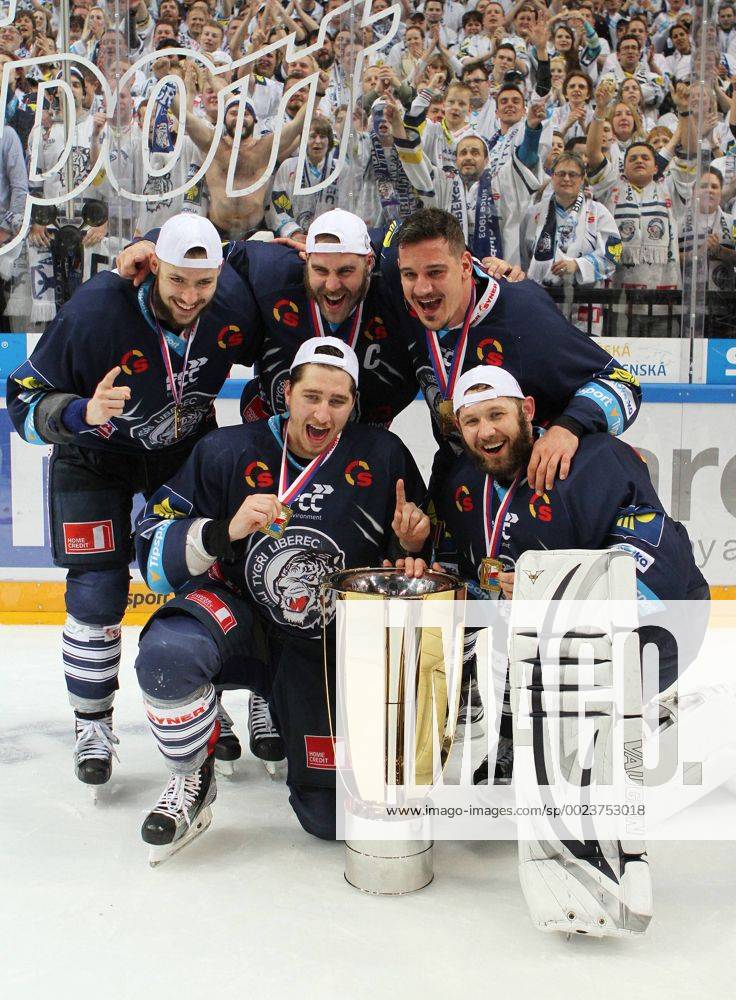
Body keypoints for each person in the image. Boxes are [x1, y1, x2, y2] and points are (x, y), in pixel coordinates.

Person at [133, 337, 431, 857]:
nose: (322, 412)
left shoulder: (382, 454)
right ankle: (190, 776)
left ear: (353, 405)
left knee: (328, 819)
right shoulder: (225, 451)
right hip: (239, 612)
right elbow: (152, 550)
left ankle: (279, 706)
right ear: (286, 393)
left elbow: (420, 550)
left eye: (338, 402)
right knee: (169, 656)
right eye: (311, 396)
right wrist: (223, 530)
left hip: (323, 643)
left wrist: (413, 544)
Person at [5, 215, 260, 788]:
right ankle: (92, 724)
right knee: (97, 589)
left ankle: (199, 693)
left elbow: (273, 268)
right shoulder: (98, 311)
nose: (191, 297)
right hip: (94, 452)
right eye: (177, 282)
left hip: (183, 450)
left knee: (200, 573)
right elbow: (21, 403)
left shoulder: (234, 301)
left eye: (204, 283)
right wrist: (80, 413)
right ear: (153, 270)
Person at [433, 364, 709, 784]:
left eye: (497, 415)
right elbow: (473, 578)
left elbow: (659, 570)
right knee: (509, 636)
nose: (486, 432)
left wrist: (557, 591)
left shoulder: (596, 459)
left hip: (659, 625)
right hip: (554, 638)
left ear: (527, 410)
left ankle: (642, 714)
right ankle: (518, 737)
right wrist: (418, 553)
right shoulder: (464, 486)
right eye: (472, 420)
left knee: (574, 770)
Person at [116, 208, 422, 428]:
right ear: (304, 257)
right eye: (320, 270)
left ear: (368, 263)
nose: (331, 285)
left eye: (345, 271)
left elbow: (424, 233)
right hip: (274, 433)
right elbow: (198, 248)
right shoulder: (272, 269)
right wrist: (150, 243)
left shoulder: (395, 283)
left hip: (360, 442)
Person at [519, 150, 622, 333]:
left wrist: (578, 265)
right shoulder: (533, 214)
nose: (566, 179)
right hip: (544, 298)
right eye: (560, 174)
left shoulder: (599, 212)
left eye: (573, 174)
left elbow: (613, 254)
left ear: (582, 179)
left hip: (584, 302)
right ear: (552, 177)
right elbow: (525, 258)